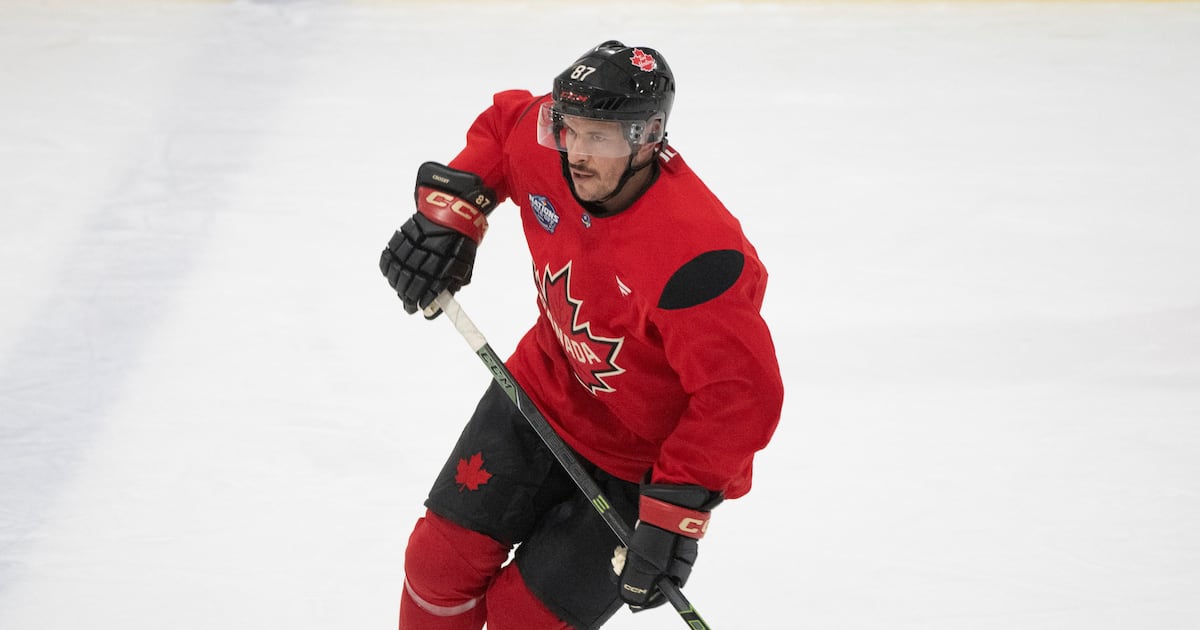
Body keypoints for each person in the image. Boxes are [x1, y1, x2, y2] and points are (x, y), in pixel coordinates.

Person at [379, 40, 784, 630]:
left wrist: (677, 510)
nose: (576, 153)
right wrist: (455, 210)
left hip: (639, 461)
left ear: (648, 137)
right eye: (568, 129)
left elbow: (742, 395)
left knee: (525, 620)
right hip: (542, 390)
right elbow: (503, 126)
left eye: (601, 137)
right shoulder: (552, 148)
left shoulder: (695, 253)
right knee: (437, 566)